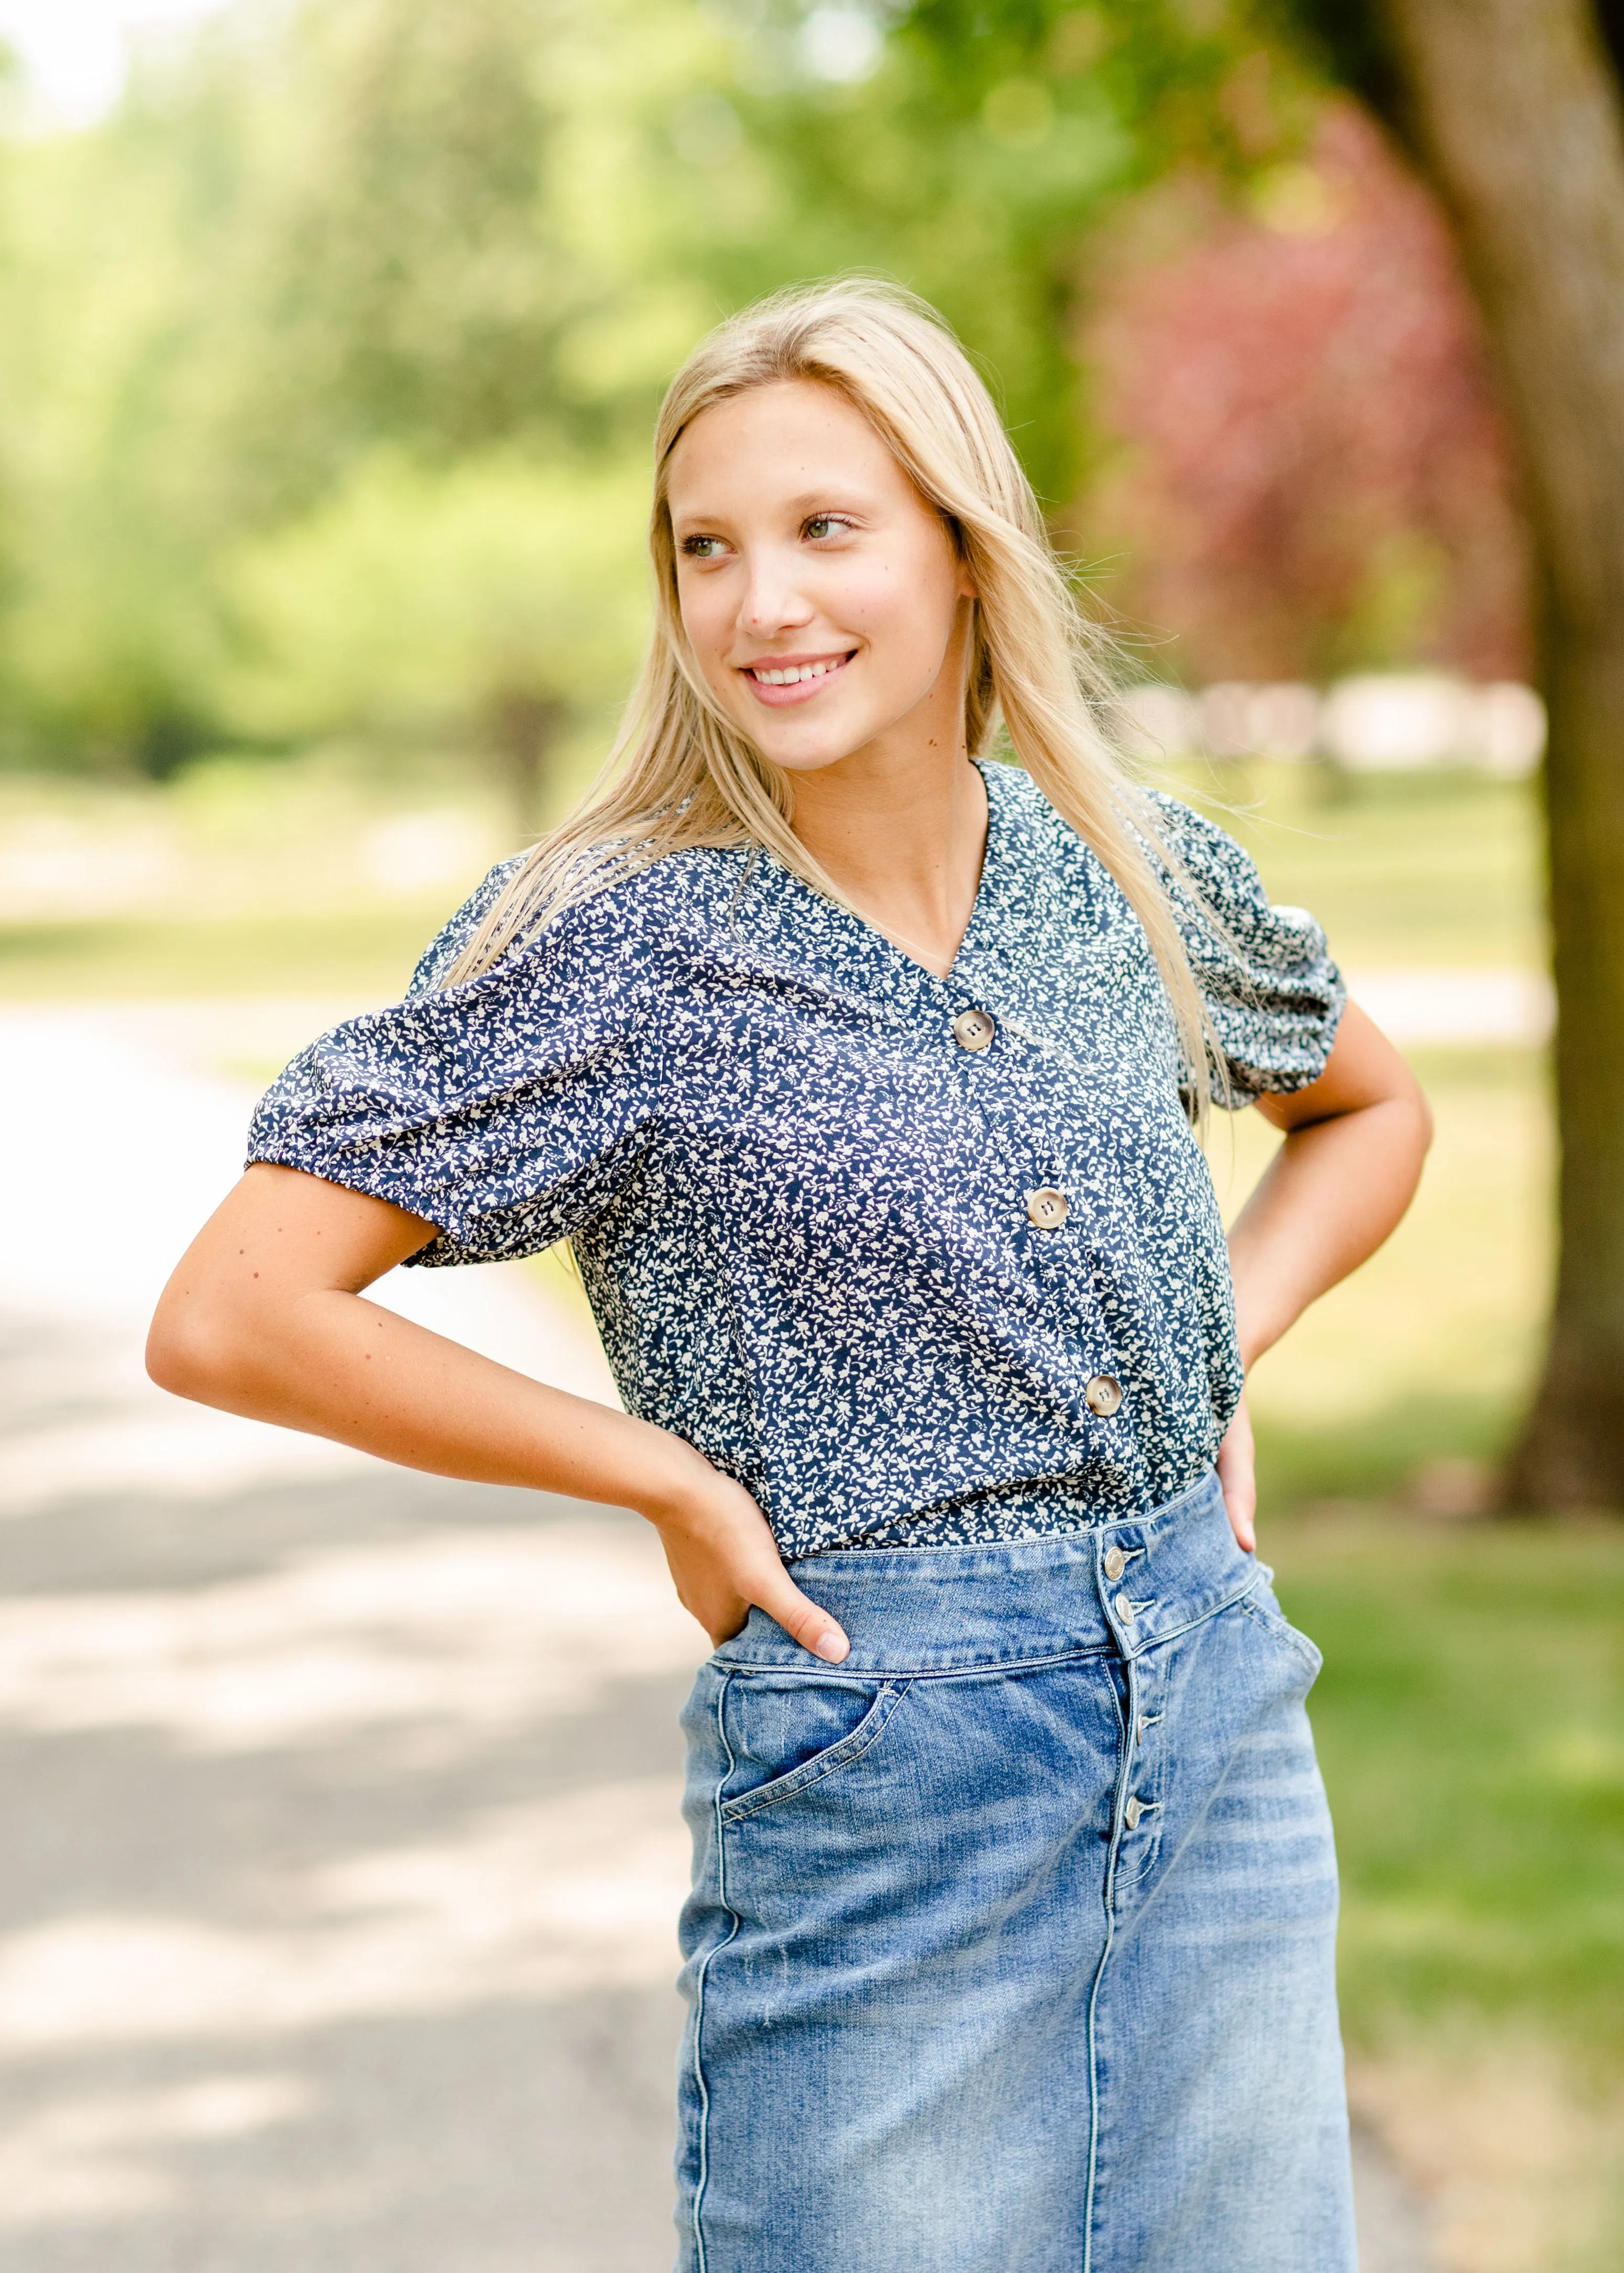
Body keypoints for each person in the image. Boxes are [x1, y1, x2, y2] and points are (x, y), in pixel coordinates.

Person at [148, 278, 1431, 2273]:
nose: (763, 604)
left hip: (1214, 1727)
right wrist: (660, 1477)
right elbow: (235, 1310)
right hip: (880, 1757)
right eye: (706, 549)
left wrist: (1208, 1359)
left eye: (828, 529)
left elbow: (1366, 1114)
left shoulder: (1117, 865)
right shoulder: (612, 941)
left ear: (956, 545)